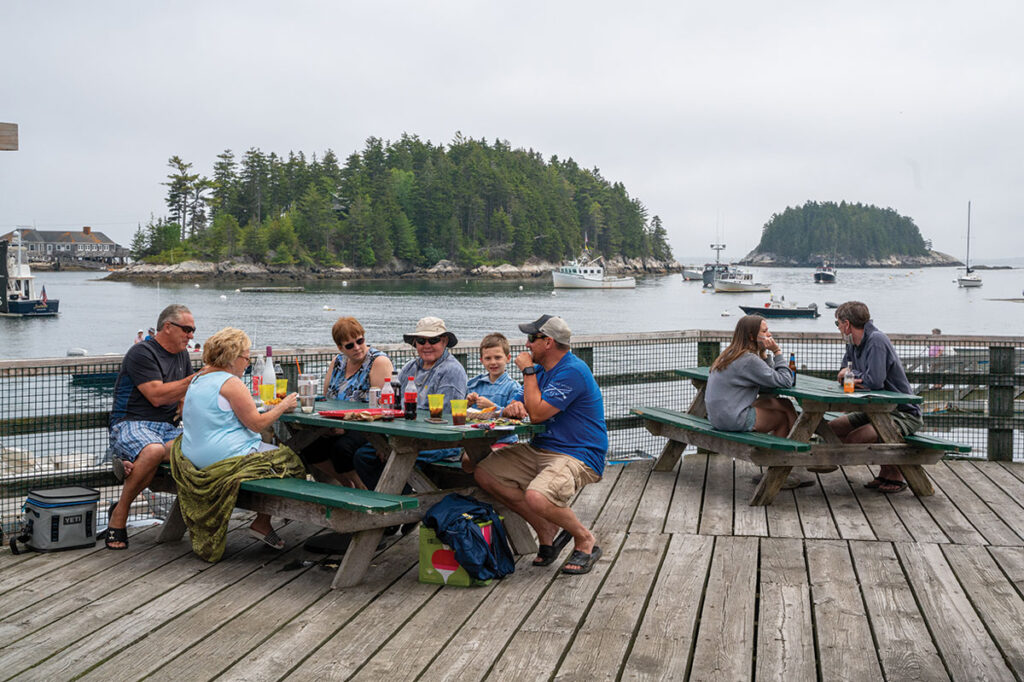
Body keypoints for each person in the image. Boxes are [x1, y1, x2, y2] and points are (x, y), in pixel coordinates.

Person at [475, 315, 607, 576]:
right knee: (484, 472)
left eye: (531, 339)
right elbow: (521, 401)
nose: (526, 344)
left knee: (538, 496)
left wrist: (527, 371)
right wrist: (515, 405)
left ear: (547, 342)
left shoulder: (572, 371)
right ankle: (545, 529)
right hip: (540, 448)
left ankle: (585, 540)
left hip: (578, 453)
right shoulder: (542, 371)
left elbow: (537, 415)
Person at [172, 327, 304, 561]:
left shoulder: (197, 379)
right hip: (226, 458)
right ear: (232, 358)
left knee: (270, 449)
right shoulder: (231, 383)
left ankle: (262, 522)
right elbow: (255, 424)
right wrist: (283, 406)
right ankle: (262, 523)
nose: (248, 363)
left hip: (194, 456)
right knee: (291, 462)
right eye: (246, 358)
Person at [104, 304, 196, 550]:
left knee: (205, 445)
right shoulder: (142, 352)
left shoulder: (183, 355)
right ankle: (120, 514)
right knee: (154, 451)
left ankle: (131, 461)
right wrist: (195, 378)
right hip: (130, 422)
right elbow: (156, 396)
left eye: (193, 331)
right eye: (187, 330)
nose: (191, 336)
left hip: (167, 427)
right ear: (168, 327)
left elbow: (183, 397)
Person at [353, 317, 466, 489]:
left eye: (433, 340)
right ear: (415, 343)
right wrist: (387, 440)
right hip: (404, 438)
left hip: (440, 443)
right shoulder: (409, 368)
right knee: (362, 456)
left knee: (395, 457)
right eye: (421, 340)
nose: (426, 345)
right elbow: (394, 405)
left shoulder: (452, 371)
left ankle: (398, 502)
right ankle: (395, 500)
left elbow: (445, 419)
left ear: (444, 342)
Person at [832, 301, 924, 493]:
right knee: (831, 429)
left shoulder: (876, 340)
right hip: (871, 410)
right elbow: (842, 372)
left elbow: (874, 381)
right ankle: (885, 471)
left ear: (847, 324)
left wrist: (850, 375)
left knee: (857, 438)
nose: (838, 328)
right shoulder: (852, 343)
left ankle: (896, 472)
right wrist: (854, 376)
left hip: (902, 412)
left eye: (838, 324)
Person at [303, 317, 394, 486]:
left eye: (360, 341)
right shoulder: (337, 362)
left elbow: (382, 406)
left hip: (368, 427)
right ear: (340, 347)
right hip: (338, 423)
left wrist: (345, 426)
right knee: (308, 445)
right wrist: (331, 424)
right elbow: (326, 399)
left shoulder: (378, 361)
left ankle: (362, 488)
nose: (357, 348)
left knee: (341, 449)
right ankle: (346, 483)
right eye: (350, 345)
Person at [706, 315, 796, 438]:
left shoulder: (729, 354)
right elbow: (786, 381)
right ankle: (782, 454)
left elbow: (768, 379)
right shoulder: (748, 360)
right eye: (764, 331)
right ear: (751, 336)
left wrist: (763, 353)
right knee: (781, 419)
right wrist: (776, 352)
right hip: (732, 419)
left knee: (785, 404)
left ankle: (799, 439)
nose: (769, 334)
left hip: (717, 418)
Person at [462, 332, 521, 468]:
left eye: (498, 357)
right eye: (488, 358)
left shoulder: (513, 387)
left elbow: (515, 419)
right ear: (481, 360)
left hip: (504, 441)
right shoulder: (474, 384)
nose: (493, 362)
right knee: (467, 460)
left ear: (508, 358)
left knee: (486, 459)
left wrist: (492, 407)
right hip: (475, 440)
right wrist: (467, 403)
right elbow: (462, 414)